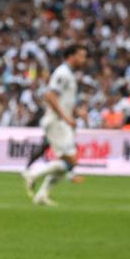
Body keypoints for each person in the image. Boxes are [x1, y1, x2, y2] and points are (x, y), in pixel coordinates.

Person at [21, 45, 88, 206]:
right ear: (71, 56)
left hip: (61, 122)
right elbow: (50, 95)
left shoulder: (69, 74)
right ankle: (32, 174)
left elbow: (64, 100)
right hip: (57, 121)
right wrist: (66, 117)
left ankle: (42, 195)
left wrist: (76, 112)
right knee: (71, 161)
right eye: (81, 56)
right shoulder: (62, 73)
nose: (83, 60)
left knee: (66, 164)